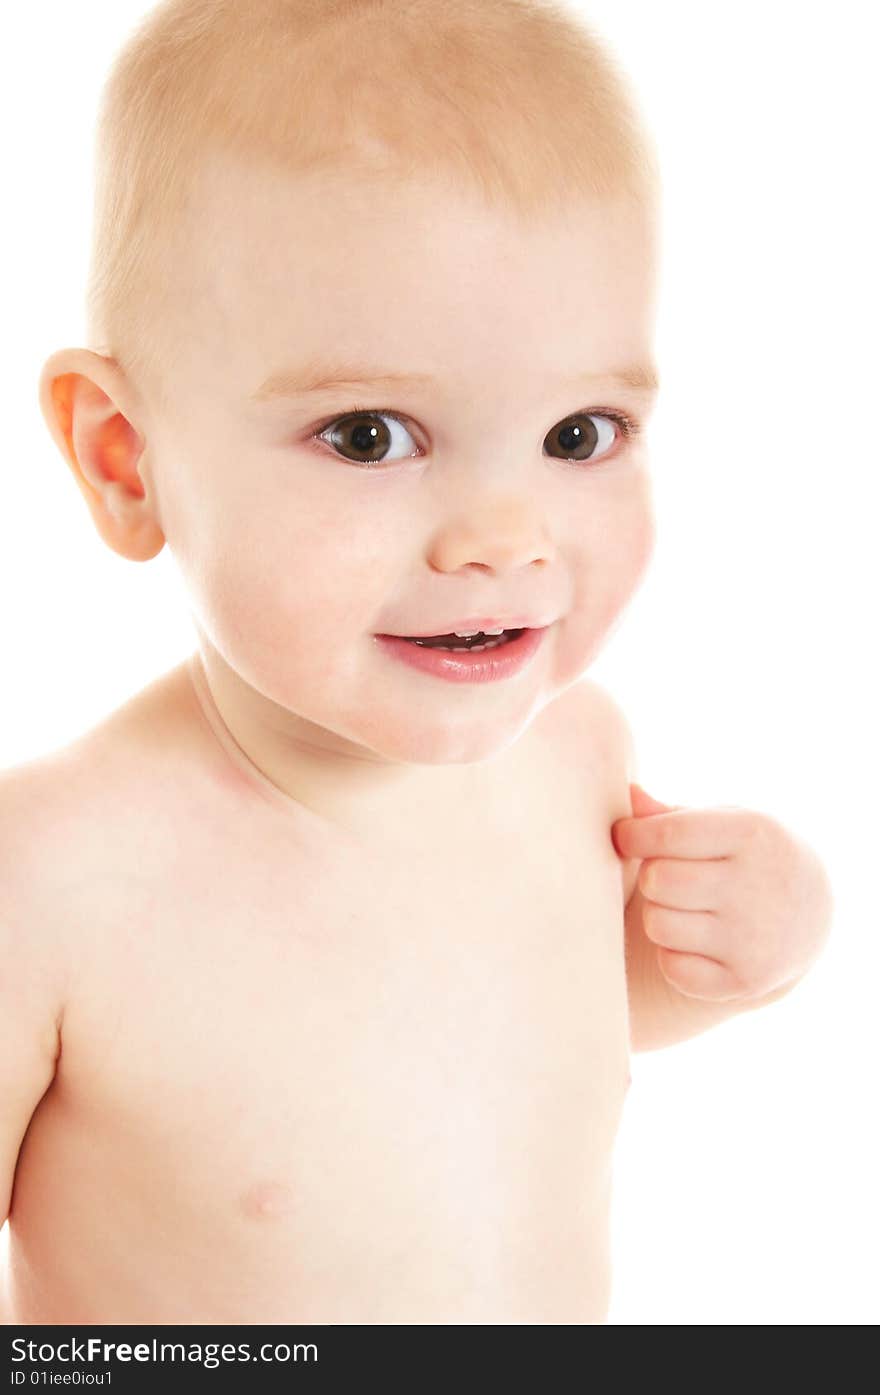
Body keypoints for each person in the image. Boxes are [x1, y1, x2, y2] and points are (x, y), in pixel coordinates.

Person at [1, 0, 833, 1324]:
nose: (506, 542)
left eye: (578, 434)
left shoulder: (574, 753)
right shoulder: (52, 876)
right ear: (125, 456)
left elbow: (534, 1043)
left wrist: (720, 962)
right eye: (371, 435)